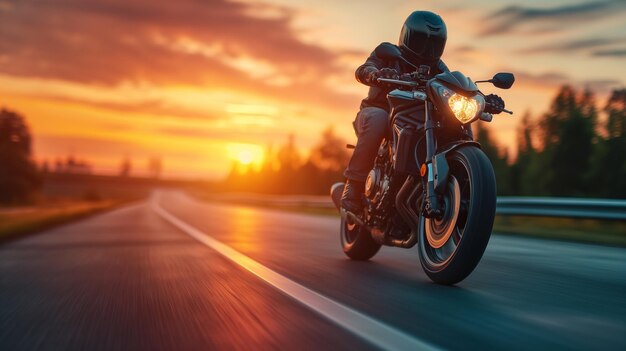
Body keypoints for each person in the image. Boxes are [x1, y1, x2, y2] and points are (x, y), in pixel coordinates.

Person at [341, 10, 503, 214]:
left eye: (434, 43)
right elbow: (366, 68)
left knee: (456, 119)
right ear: (406, 37)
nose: (427, 49)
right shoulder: (387, 53)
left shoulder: (440, 68)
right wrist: (375, 73)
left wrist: (482, 98)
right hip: (380, 110)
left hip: (419, 116)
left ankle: (465, 184)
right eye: (420, 41)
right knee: (378, 118)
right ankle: (353, 187)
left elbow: (454, 88)